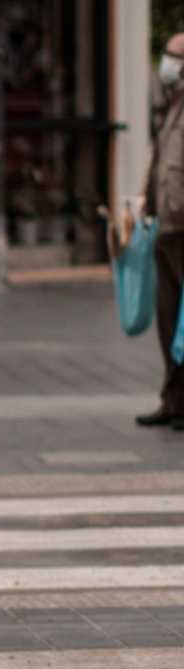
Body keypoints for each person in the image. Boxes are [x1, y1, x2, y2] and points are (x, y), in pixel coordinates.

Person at [139, 33, 184, 430]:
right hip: (166, 227)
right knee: (168, 319)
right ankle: (173, 400)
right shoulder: (171, 105)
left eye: (173, 57)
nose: (166, 63)